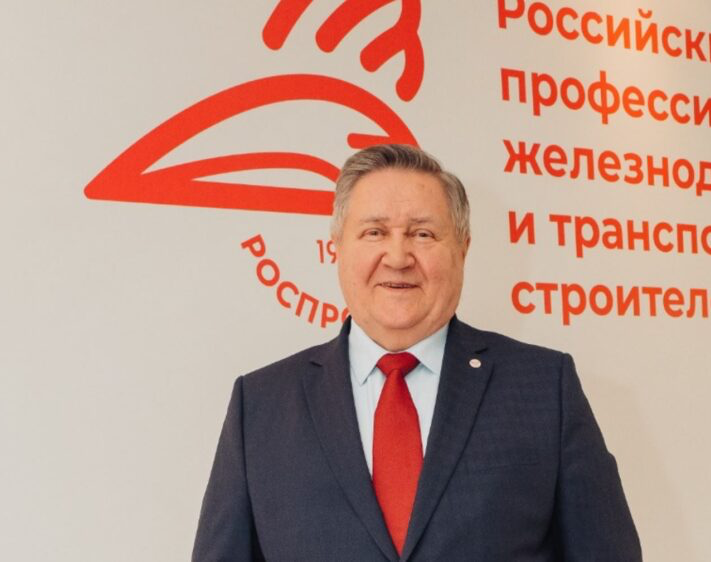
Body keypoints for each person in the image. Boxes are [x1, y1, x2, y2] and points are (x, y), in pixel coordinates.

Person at [192, 144, 641, 561]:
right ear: (337, 248)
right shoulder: (260, 404)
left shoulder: (545, 387)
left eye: (423, 234)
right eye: (374, 232)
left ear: (462, 250)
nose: (398, 256)